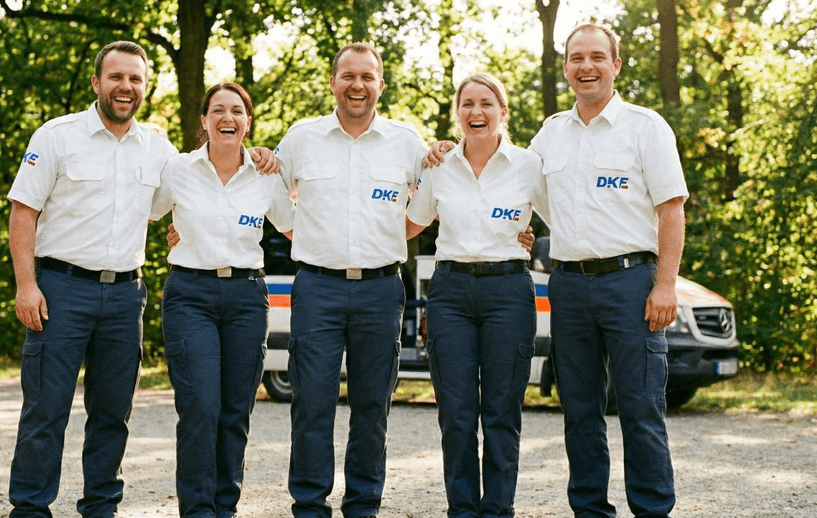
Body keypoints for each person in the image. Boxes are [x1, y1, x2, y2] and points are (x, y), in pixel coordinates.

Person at [6, 41, 179, 518]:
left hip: (127, 295)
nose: (126, 87)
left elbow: (186, 198)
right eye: (117, 77)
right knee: (46, 409)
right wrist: (26, 285)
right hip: (60, 291)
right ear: (97, 83)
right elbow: (23, 213)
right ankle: (30, 508)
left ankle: (101, 506)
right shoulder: (57, 136)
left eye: (135, 79)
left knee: (112, 413)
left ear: (145, 87)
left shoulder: (159, 147)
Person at [529, 24, 686, 518]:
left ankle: (652, 510)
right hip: (569, 285)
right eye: (576, 58)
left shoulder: (645, 128)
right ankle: (590, 510)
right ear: (567, 66)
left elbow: (672, 210)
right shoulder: (550, 132)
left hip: (631, 283)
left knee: (640, 409)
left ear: (616, 65)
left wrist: (664, 285)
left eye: (598, 56)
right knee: (579, 411)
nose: (586, 66)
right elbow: (526, 195)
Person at [272, 42, 428, 518]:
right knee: (311, 406)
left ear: (381, 84)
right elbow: (272, 192)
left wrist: (390, 238)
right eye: (348, 76)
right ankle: (310, 505)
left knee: (371, 407)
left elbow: (430, 202)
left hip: (381, 289)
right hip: (317, 287)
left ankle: (363, 505)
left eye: (367, 77)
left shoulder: (408, 142)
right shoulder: (301, 138)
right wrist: (307, 236)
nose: (357, 85)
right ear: (333, 82)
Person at [149, 82, 294, 518]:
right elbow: (143, 211)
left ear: (248, 122)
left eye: (237, 111)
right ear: (203, 120)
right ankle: (197, 511)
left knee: (235, 411)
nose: (227, 118)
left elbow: (298, 227)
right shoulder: (178, 168)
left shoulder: (267, 174)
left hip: (247, 298)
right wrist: (170, 231)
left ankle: (224, 508)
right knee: (200, 406)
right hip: (189, 295)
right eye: (218, 110)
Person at [405, 72, 540, 518]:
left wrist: (534, 238)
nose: (476, 112)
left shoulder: (529, 165)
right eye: (467, 104)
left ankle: (498, 510)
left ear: (503, 111)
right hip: (451, 295)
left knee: (502, 412)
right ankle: (462, 511)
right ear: (457, 113)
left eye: (486, 103)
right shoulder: (438, 165)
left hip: (509, 292)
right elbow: (410, 224)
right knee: (457, 414)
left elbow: (568, 217)